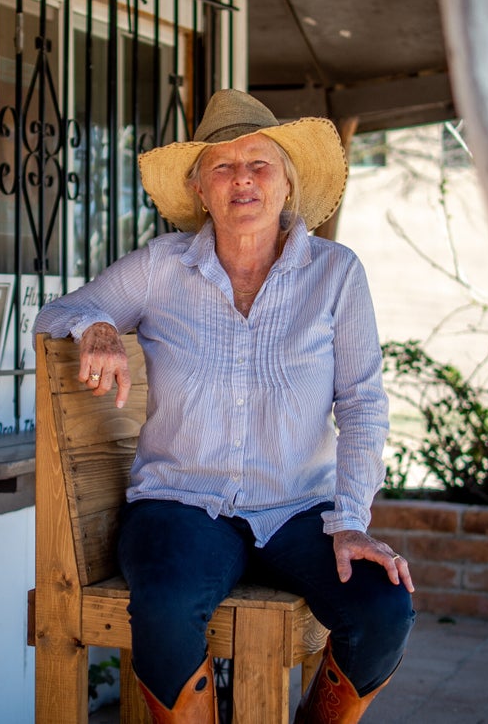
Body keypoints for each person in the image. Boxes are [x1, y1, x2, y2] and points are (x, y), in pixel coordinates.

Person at [33, 89, 414, 723]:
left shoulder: (337, 273)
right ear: (200, 189)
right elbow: (60, 311)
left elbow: (364, 404)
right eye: (222, 166)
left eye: (259, 164)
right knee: (165, 602)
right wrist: (96, 328)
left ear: (287, 184)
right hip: (182, 502)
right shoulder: (161, 267)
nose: (243, 179)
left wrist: (350, 520)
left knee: (383, 606)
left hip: (300, 508)